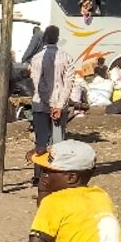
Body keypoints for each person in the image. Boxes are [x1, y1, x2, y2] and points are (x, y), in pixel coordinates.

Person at [27, 26, 75, 165]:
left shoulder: (35, 59)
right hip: (59, 107)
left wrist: (48, 104)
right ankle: (56, 172)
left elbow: (37, 85)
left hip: (40, 105)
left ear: (44, 39)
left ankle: (39, 175)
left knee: (40, 143)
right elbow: (68, 84)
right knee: (58, 143)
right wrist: (58, 106)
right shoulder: (67, 58)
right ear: (57, 39)